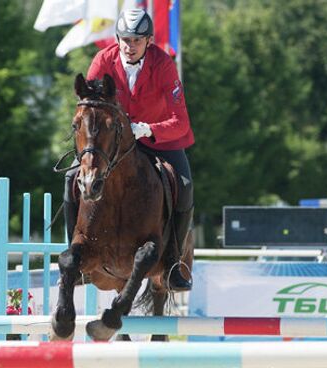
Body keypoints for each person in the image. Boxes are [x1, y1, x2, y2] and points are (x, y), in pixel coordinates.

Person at [63, 8, 195, 291]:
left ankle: (172, 261)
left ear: (149, 41)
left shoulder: (163, 64)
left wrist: (148, 129)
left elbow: (181, 122)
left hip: (159, 140)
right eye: (124, 39)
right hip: (112, 144)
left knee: (183, 185)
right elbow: (91, 107)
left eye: (136, 40)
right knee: (71, 179)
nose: (129, 46)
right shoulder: (102, 60)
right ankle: (74, 256)